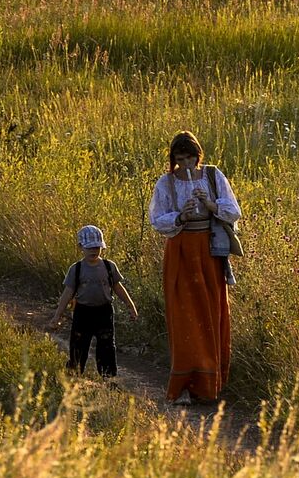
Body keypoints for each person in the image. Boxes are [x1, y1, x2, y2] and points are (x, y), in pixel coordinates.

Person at [148, 131, 242, 405]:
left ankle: (209, 385)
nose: (186, 164)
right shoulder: (166, 182)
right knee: (184, 315)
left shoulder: (213, 175)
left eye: (190, 158)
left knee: (211, 312)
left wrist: (210, 204)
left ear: (198, 156)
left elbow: (233, 211)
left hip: (209, 250)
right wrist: (181, 215)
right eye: (180, 159)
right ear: (173, 159)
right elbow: (157, 220)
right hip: (181, 251)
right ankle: (185, 386)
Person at [49, 225, 139, 377]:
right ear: (80, 247)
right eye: (89, 247)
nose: (94, 251)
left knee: (106, 345)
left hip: (104, 312)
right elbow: (67, 293)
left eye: (97, 247)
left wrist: (131, 306)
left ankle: (108, 377)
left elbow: (118, 287)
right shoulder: (76, 269)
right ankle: (75, 374)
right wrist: (57, 315)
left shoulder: (109, 266)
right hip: (83, 312)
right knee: (78, 344)